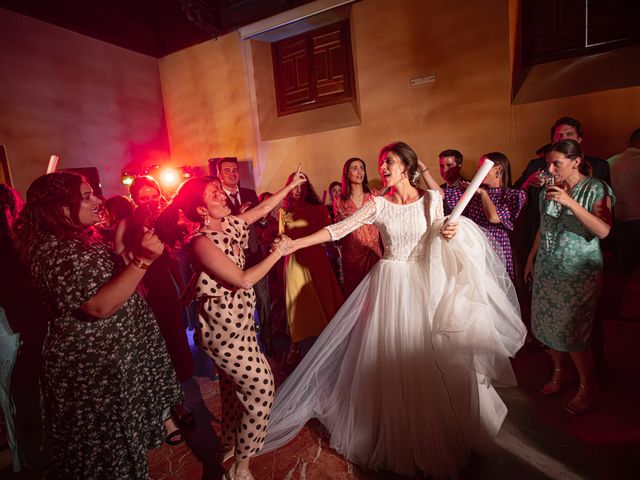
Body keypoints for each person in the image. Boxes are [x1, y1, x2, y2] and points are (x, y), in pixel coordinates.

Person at [262, 142, 526, 478]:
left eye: (388, 162)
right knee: (387, 360)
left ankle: (437, 430)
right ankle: (392, 432)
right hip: (388, 284)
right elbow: (337, 230)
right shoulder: (378, 204)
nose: (382, 168)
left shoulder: (432, 199)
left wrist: (451, 231)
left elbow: (440, 237)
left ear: (407, 166)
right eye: (381, 163)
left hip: (424, 283)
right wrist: (295, 243)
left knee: (427, 358)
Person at [13, 172, 182, 479]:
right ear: (62, 208)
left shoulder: (73, 242)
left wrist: (136, 252)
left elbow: (104, 280)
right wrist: (142, 261)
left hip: (112, 368)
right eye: (86, 195)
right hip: (95, 373)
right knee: (106, 459)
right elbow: (97, 306)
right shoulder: (58, 251)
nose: (97, 199)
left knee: (120, 453)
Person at [155, 171, 305, 480]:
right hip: (224, 333)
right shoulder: (201, 242)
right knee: (262, 388)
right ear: (200, 209)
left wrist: (288, 186)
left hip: (241, 325)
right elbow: (243, 279)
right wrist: (279, 251)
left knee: (234, 393)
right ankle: (241, 467)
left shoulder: (228, 224)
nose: (224, 196)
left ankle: (229, 446)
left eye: (220, 191)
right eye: (214, 194)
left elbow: (261, 210)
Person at [524, 140, 614, 415]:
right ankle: (560, 372)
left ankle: (588, 385)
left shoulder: (595, 187)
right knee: (548, 326)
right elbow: (544, 226)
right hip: (548, 267)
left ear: (576, 161)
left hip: (578, 270)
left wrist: (569, 202)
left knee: (573, 331)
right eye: (547, 164)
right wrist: (531, 258)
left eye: (556, 164)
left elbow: (603, 230)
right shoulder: (548, 189)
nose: (550, 169)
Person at [115, 176, 195, 426]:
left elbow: (175, 254)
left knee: (175, 337)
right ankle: (164, 406)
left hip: (166, 286)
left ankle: (178, 398)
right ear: (135, 199)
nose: (149, 201)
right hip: (143, 287)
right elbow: (120, 257)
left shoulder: (165, 219)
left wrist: (184, 288)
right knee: (154, 344)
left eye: (153, 196)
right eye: (143, 197)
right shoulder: (127, 223)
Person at [279, 173, 345, 361]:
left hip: (316, 258)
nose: (298, 190)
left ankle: (330, 339)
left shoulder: (318, 209)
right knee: (299, 301)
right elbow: (282, 236)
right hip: (293, 261)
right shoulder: (284, 213)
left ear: (307, 188)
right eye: (295, 186)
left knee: (324, 295)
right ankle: (300, 342)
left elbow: (328, 233)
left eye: (302, 186)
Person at [217, 158, 274, 357]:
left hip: (254, 254)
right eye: (227, 170)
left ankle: (267, 340)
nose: (232, 173)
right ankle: (245, 345)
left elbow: (261, 223)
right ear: (220, 175)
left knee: (263, 301)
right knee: (239, 305)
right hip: (231, 260)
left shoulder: (250, 193)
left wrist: (263, 218)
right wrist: (238, 218)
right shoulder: (217, 199)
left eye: (235, 170)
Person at [444, 153, 525, 281]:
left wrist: (482, 193)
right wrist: (424, 170)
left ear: (498, 169)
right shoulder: (473, 194)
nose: (478, 172)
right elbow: (442, 195)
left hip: (498, 248)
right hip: (475, 248)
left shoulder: (513, 195)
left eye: (482, 167)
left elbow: (493, 217)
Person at [333, 157, 382, 296]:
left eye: (362, 168)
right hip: (352, 255)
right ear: (347, 174)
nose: (359, 172)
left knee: (377, 293)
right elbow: (340, 227)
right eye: (354, 168)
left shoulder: (374, 195)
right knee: (356, 296)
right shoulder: (340, 200)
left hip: (374, 251)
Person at [607, 128, 640, 320]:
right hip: (636, 222)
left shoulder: (612, 161)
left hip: (617, 221)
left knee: (620, 269)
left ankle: (611, 307)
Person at [439, 149, 467, 215]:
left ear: (459, 166)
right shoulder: (438, 189)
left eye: (449, 165)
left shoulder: (472, 187)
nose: (445, 170)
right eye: (442, 166)